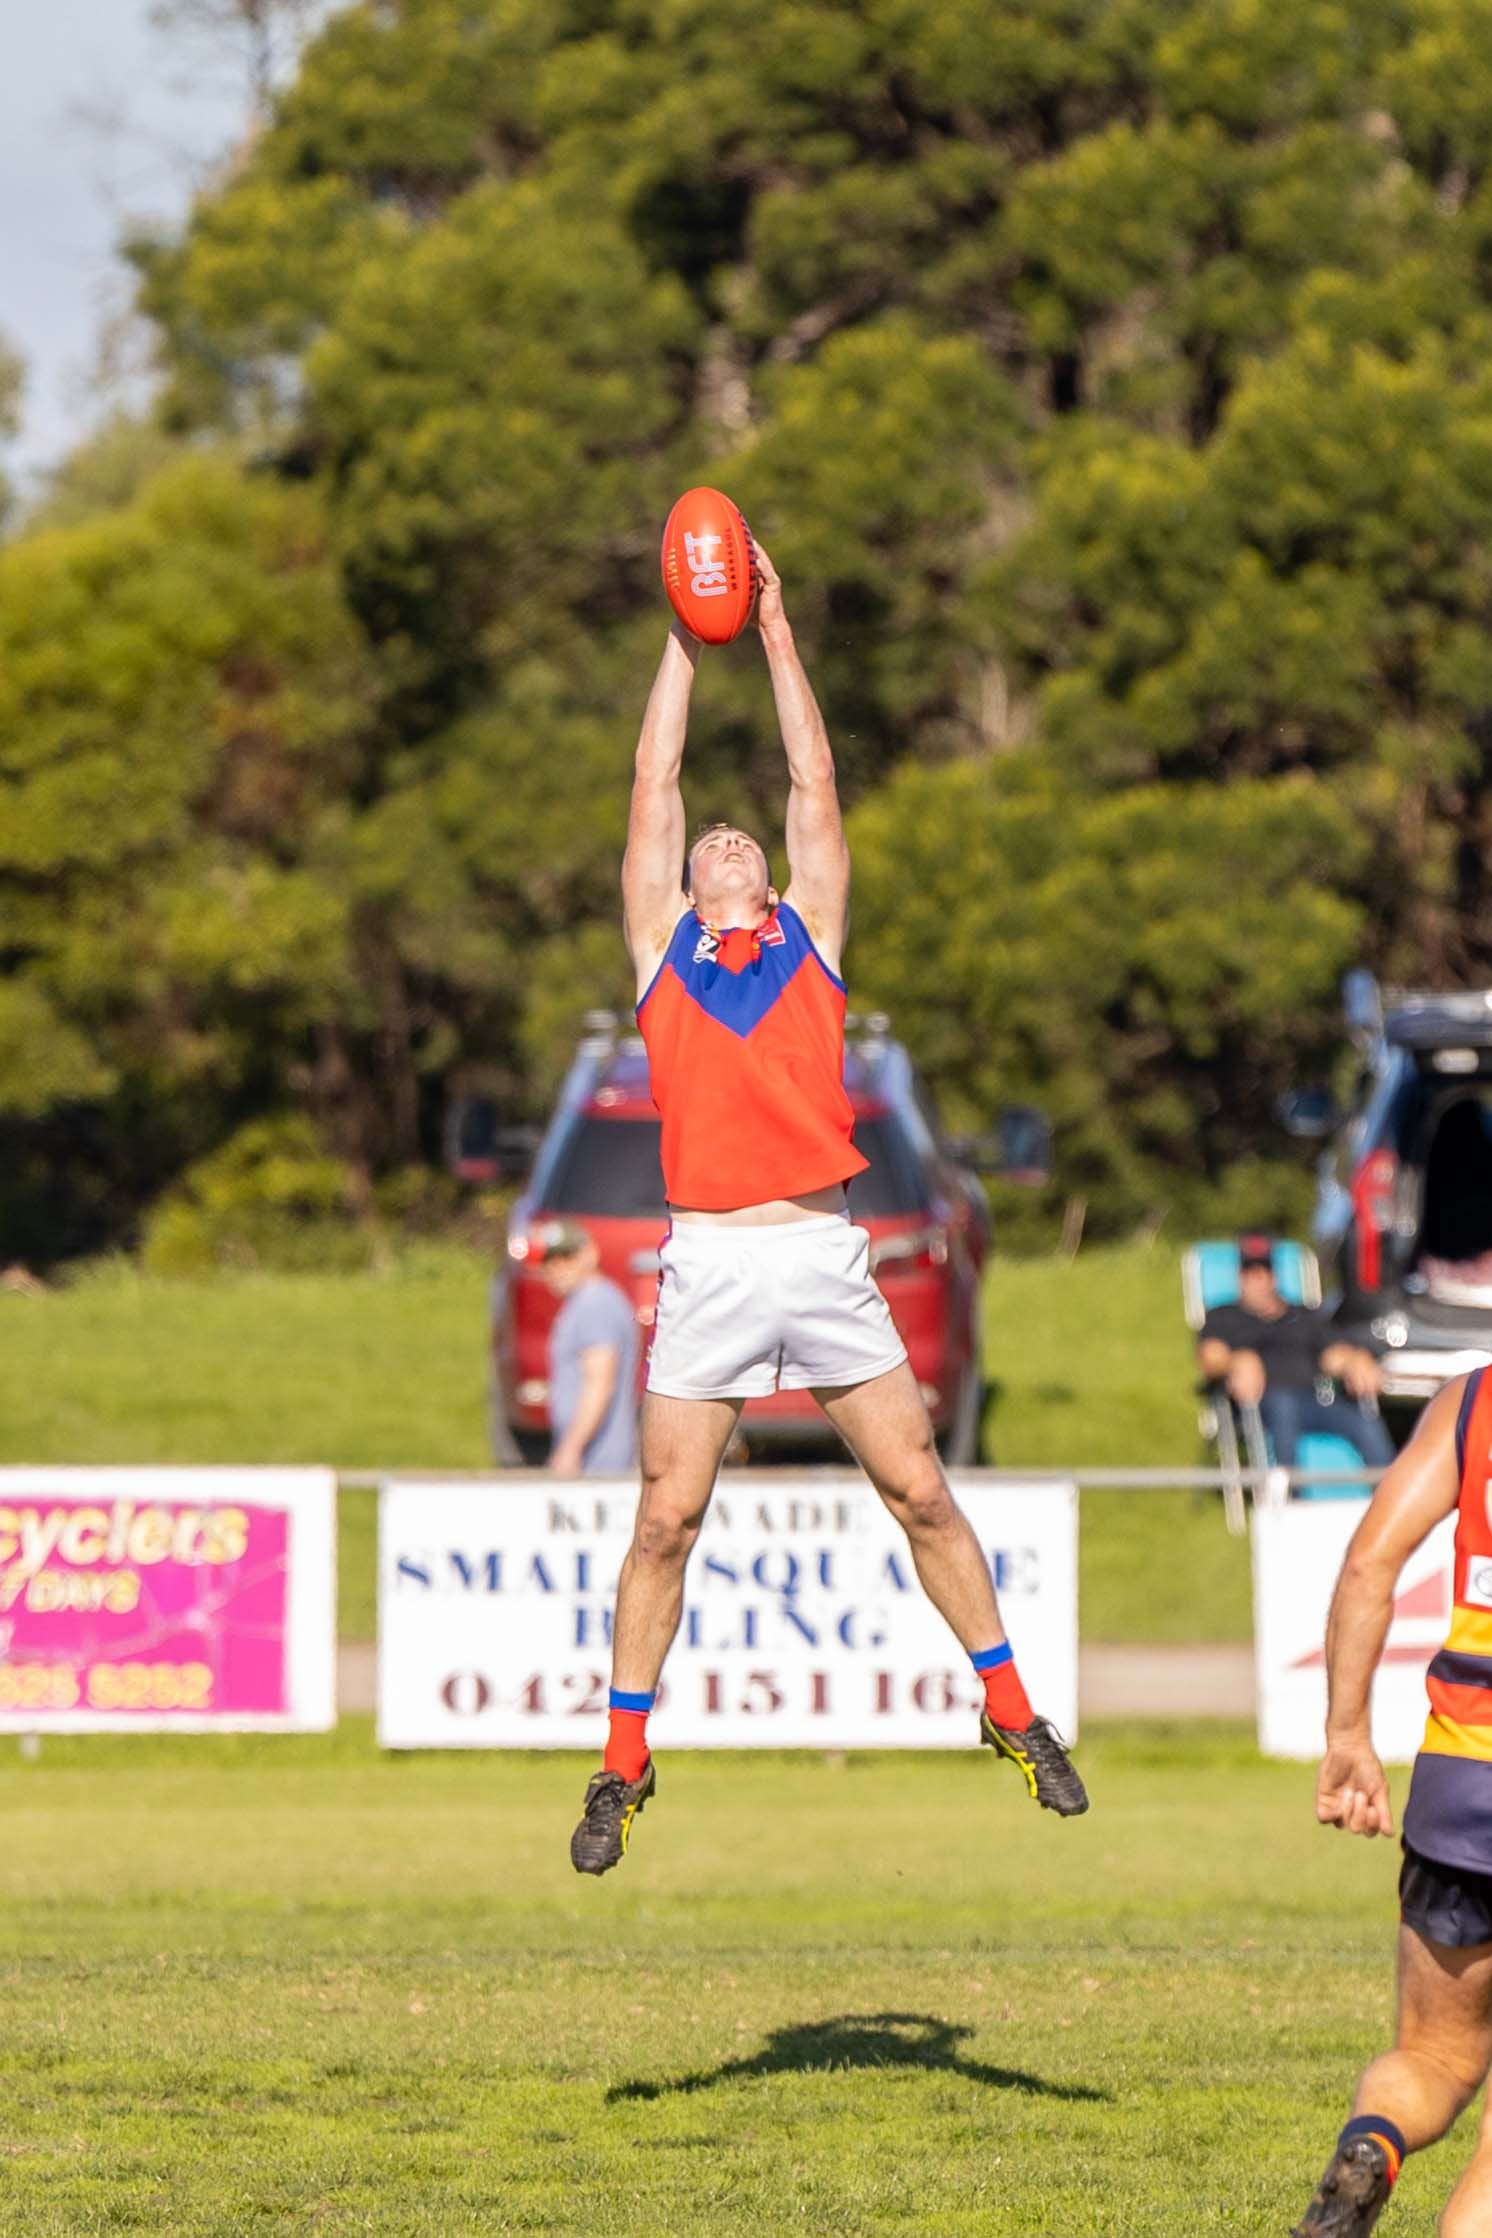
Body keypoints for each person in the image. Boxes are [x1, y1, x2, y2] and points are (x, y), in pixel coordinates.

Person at [568, 538, 1087, 1876]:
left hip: (824, 1251)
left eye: (750, 843)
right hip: (712, 1267)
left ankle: (1015, 1712)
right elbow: (653, 780)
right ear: (690, 883)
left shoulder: (814, 937)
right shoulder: (657, 952)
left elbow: (812, 777)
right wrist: (689, 635)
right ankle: (624, 1762)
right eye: (712, 844)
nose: (732, 837)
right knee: (665, 1519)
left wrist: (777, 626)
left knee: (918, 1486)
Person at [1292, 1368, 1492, 2235]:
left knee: (1432, 2057)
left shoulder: (1472, 1402)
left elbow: (1371, 1559)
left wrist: (1346, 1738)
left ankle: (1374, 2140)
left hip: (1462, 1784)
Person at [1196, 1234, 1394, 1472]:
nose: (1258, 1281)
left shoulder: (1303, 1316)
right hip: (1257, 1405)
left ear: (1274, 1277)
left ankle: (1392, 1492)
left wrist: (1355, 1360)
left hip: (1310, 1402)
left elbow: (1332, 1355)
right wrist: (1236, 1360)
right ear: (1240, 1279)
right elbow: (1210, 1357)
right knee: (1283, 1404)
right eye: (1250, 1275)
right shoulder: (1224, 1316)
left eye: (1264, 1273)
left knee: (1364, 1422)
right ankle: (1289, 1497)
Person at [534, 1222, 639, 1477]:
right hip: (594, 1458)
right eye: (548, 1260)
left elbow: (600, 1383)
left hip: (598, 1462)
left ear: (589, 1254)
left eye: (566, 1257)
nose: (556, 1268)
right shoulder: (586, 1302)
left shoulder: (595, 1304)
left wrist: (571, 1448)